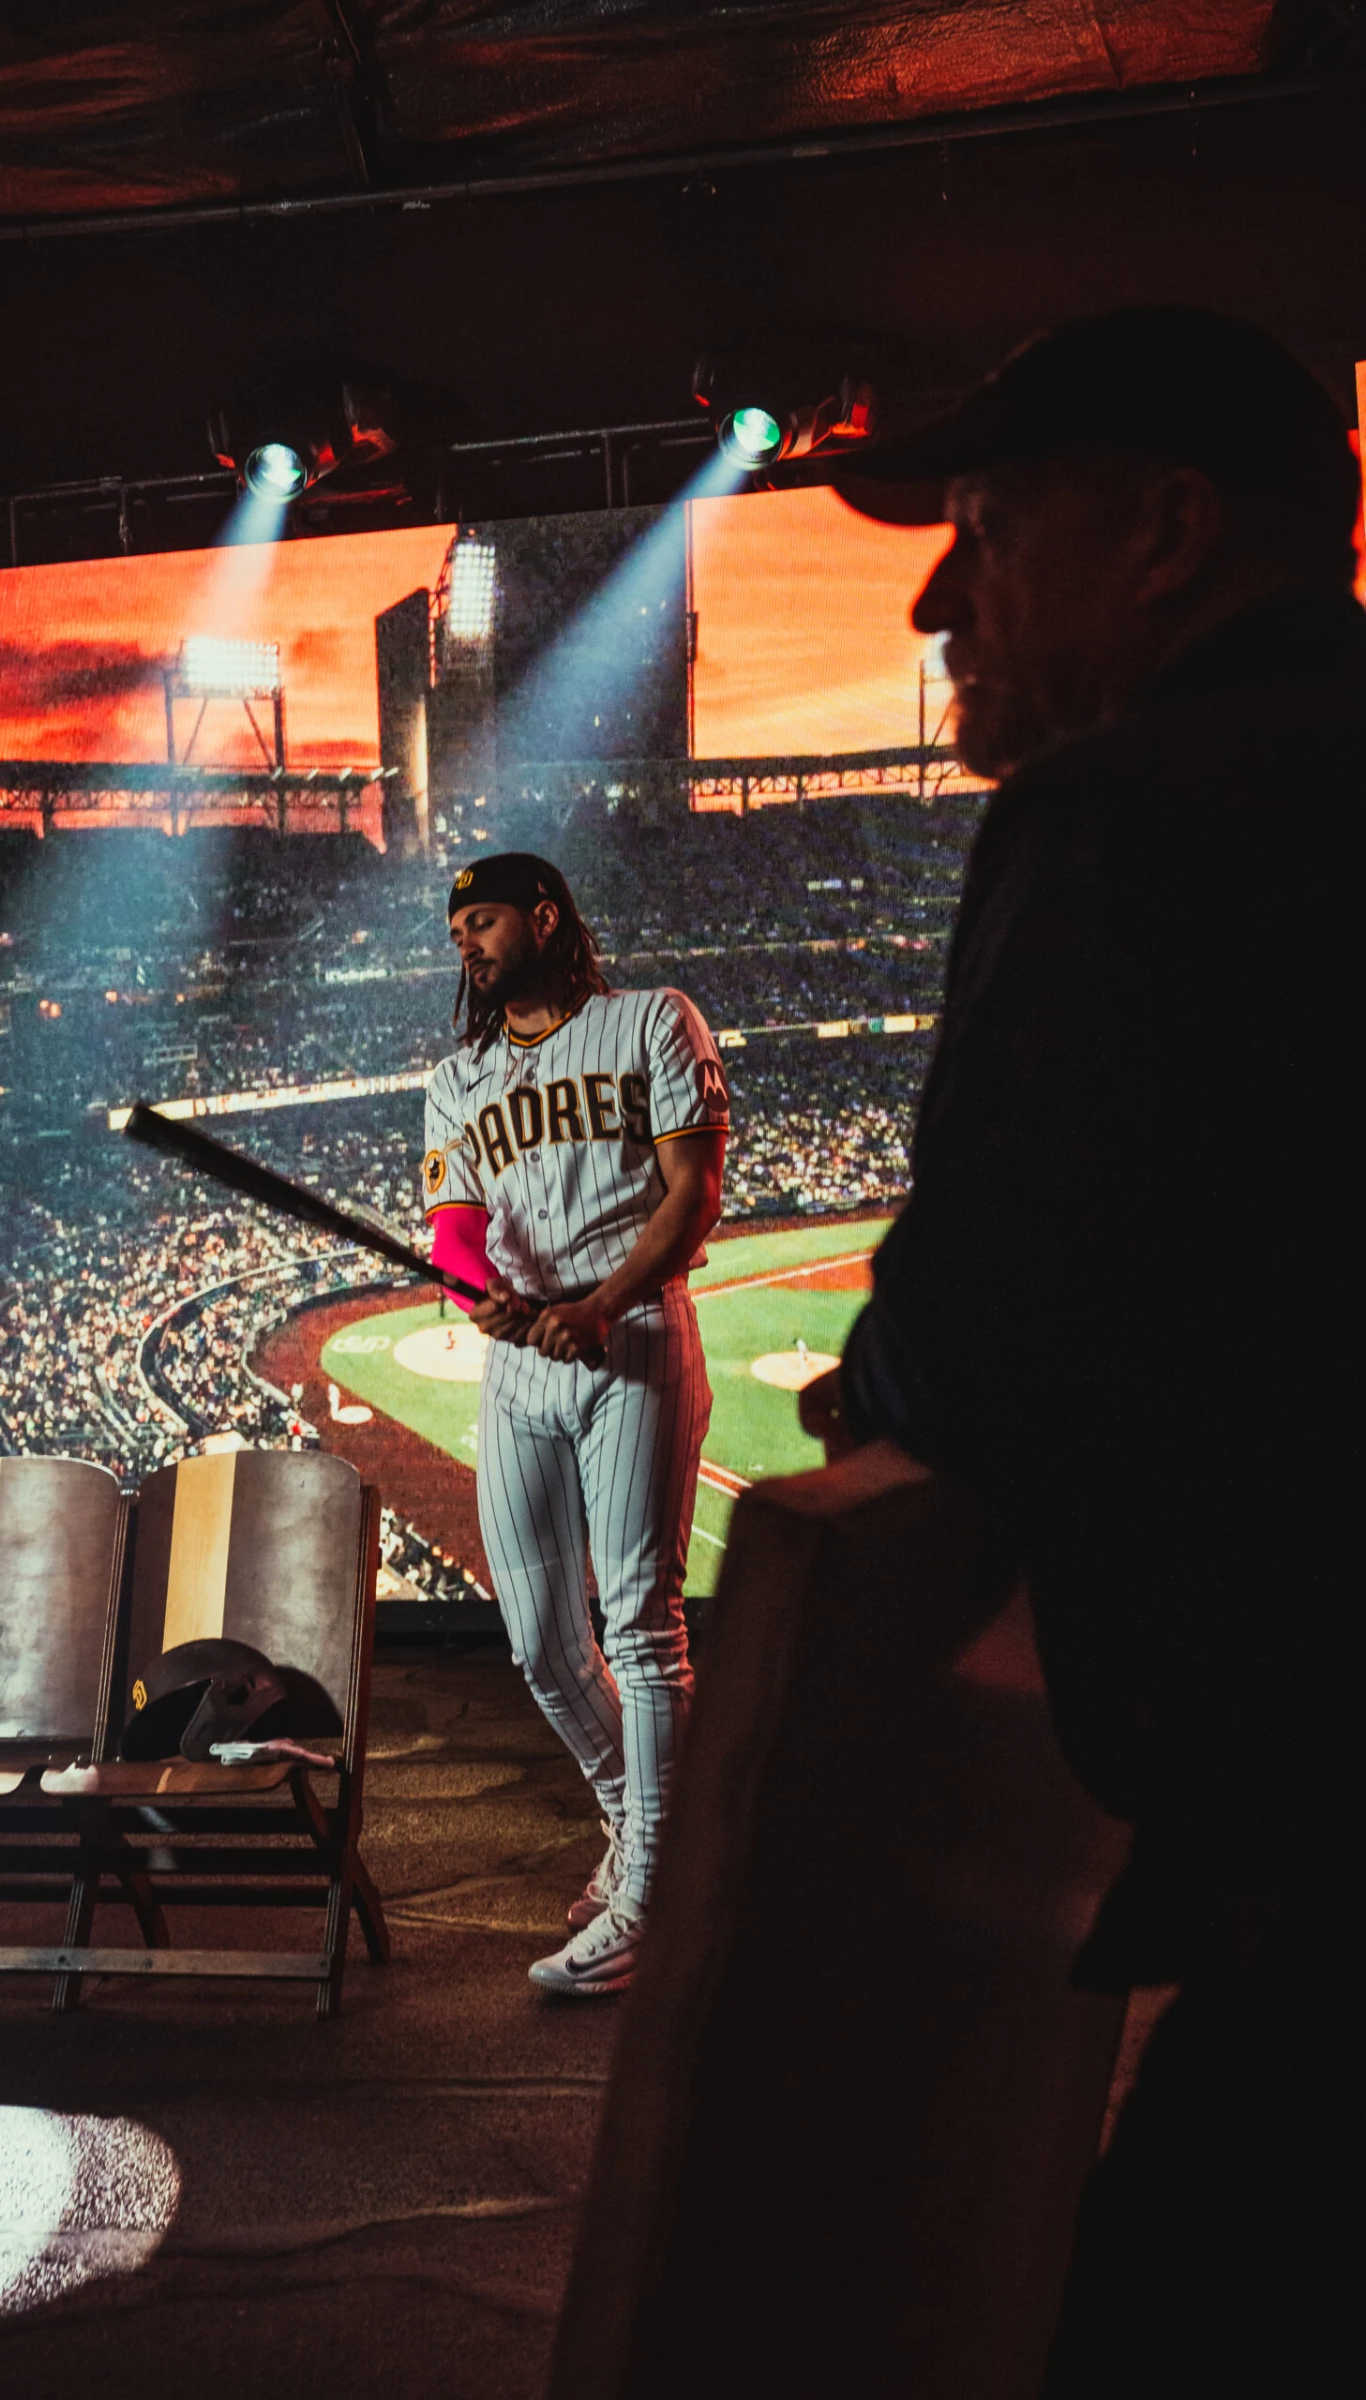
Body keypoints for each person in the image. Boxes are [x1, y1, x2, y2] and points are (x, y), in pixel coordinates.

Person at [804, 308, 1359, 2387]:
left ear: (1169, 534)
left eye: (988, 523)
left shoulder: (1128, 816)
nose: (944, 593)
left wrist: (886, 1378)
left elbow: (985, 1339)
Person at [423, 853, 728, 1994]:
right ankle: (645, 1832)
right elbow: (454, 1234)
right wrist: (479, 1297)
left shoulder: (654, 1022)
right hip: (523, 1370)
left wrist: (599, 1305)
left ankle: (651, 1896)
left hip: (635, 1337)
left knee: (641, 1624)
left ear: (544, 919)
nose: (469, 944)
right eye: (459, 930)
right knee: (541, 1641)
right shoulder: (456, 1080)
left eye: (485, 921)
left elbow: (691, 1195)